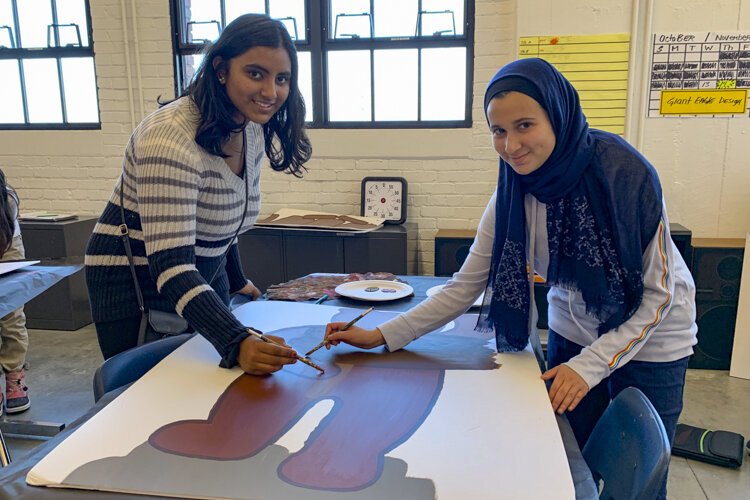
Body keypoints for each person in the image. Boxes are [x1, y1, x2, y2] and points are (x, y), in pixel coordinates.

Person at [324, 58, 697, 499]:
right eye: (498, 131)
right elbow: (464, 287)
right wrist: (381, 336)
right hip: (572, 334)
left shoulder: (626, 176)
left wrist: (591, 366)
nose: (511, 145)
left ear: (556, 116)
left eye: (524, 125)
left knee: (636, 480)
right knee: (570, 461)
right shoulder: (512, 192)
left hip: (653, 339)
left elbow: (659, 296)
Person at [85, 14, 312, 376]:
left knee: (216, 383)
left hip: (199, 272)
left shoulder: (249, 125)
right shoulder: (170, 137)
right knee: (158, 396)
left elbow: (219, 216)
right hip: (137, 283)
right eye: (255, 73)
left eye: (281, 78)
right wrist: (237, 340)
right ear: (221, 69)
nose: (271, 92)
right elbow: (171, 267)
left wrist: (237, 281)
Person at [0, 169, 31, 416]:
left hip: (7, 244)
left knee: (11, 315)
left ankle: (15, 377)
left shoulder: (8, 199)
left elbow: (7, 237)